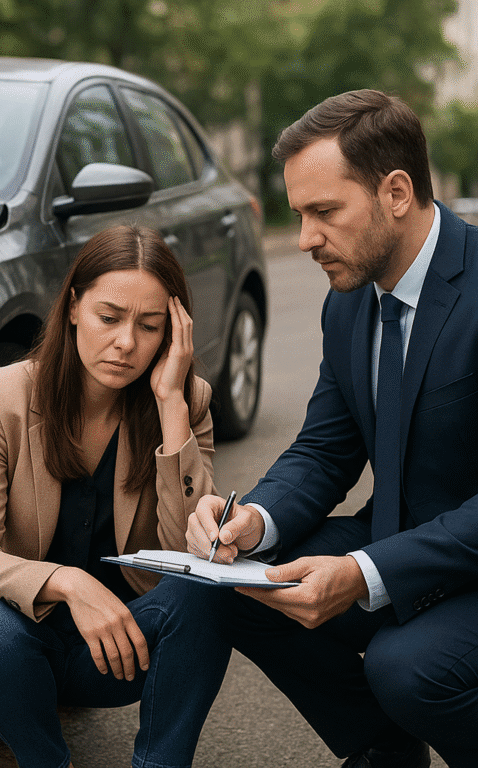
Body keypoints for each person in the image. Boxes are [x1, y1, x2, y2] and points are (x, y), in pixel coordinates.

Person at [186, 89, 478, 768]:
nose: (307, 239)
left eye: (324, 212)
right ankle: (384, 748)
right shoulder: (349, 304)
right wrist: (252, 521)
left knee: (407, 668)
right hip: (400, 535)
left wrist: (365, 570)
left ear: (396, 192)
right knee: (235, 583)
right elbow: (325, 447)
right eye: (298, 215)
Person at [0, 224, 227, 768]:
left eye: (149, 326)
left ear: (173, 334)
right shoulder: (1, 396)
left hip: (113, 650)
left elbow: (191, 557)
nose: (126, 343)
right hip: (3, 646)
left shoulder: (186, 400)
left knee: (210, 592)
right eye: (110, 318)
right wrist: (71, 584)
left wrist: (171, 404)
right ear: (75, 306)